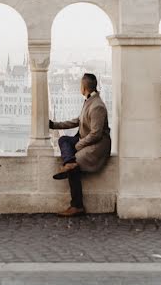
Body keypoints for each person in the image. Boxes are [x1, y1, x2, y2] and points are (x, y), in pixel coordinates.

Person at [49, 72, 111, 217]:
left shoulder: (97, 106)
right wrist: (54, 125)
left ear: (84, 87)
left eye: (80, 85)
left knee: (74, 166)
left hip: (97, 146)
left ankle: (76, 205)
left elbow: (96, 134)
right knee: (63, 140)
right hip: (87, 141)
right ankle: (69, 163)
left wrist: (78, 145)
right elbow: (78, 121)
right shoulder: (89, 101)